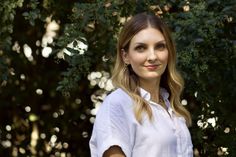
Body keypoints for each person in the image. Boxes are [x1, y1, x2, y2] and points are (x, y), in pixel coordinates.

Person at [89, 12, 193, 157]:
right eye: (141, 48)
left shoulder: (172, 108)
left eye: (160, 47)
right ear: (125, 56)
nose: (152, 57)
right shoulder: (118, 104)